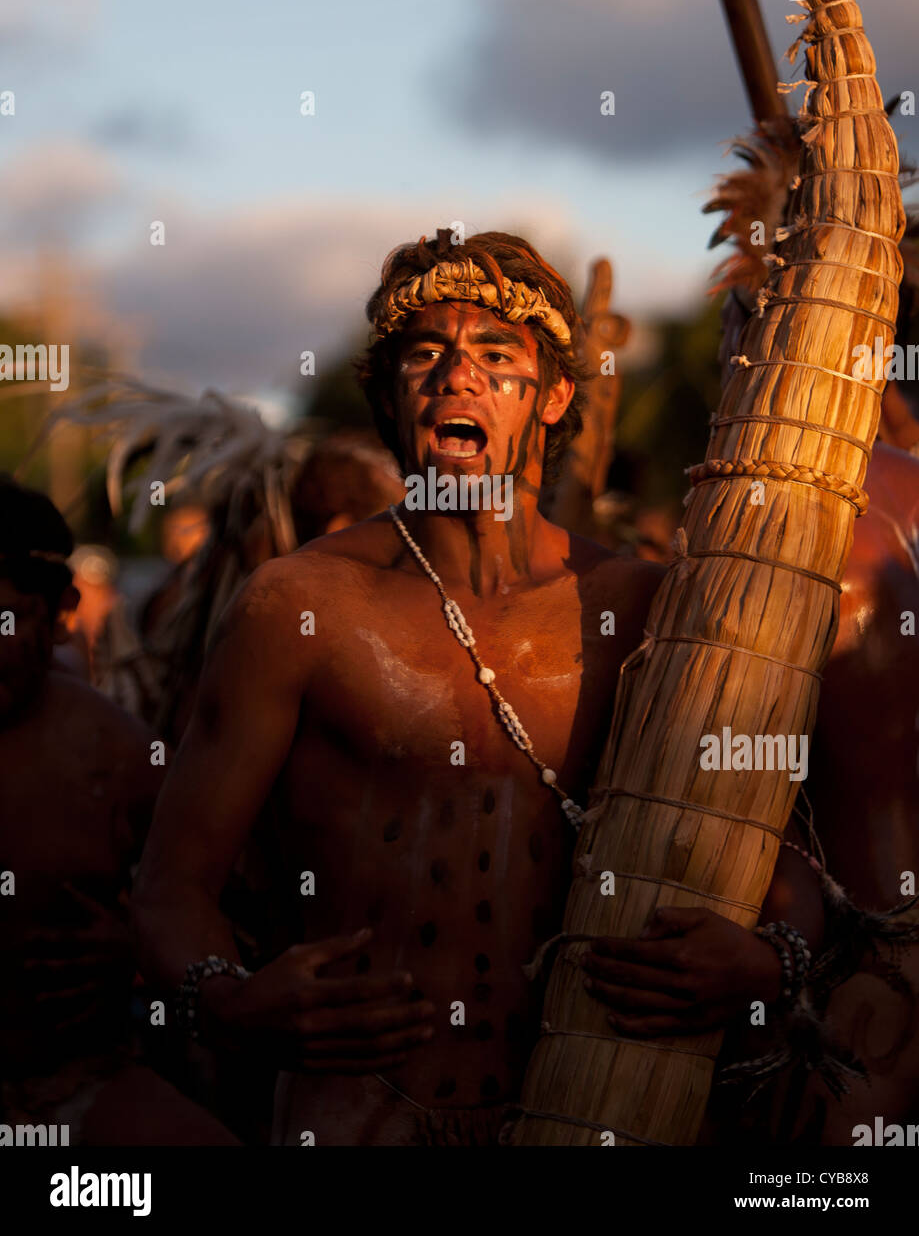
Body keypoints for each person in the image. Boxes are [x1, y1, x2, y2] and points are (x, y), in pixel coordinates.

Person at [132, 229, 816, 1145]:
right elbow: (171, 885)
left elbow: (794, 869)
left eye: (497, 356)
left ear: (553, 396)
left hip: (603, 1112)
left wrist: (767, 968)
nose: (458, 377)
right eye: (426, 355)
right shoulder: (300, 608)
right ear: (390, 395)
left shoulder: (648, 607)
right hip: (358, 1120)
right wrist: (229, 1000)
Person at [0, 476, 238, 1144]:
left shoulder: (124, 755)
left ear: (60, 614)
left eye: (4, 618)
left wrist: (141, 947)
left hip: (78, 1085)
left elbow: (220, 908)